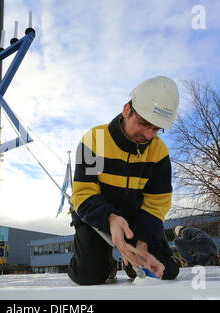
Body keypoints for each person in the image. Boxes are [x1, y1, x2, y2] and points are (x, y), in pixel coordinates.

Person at [68, 75, 181, 285]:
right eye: (145, 124)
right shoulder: (95, 140)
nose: (148, 135)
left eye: (156, 129)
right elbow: (84, 193)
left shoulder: (158, 151)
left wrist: (143, 242)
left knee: (164, 272)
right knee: (88, 276)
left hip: (135, 220)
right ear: (127, 110)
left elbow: (157, 204)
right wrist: (110, 219)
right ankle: (106, 262)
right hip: (95, 215)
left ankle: (134, 262)